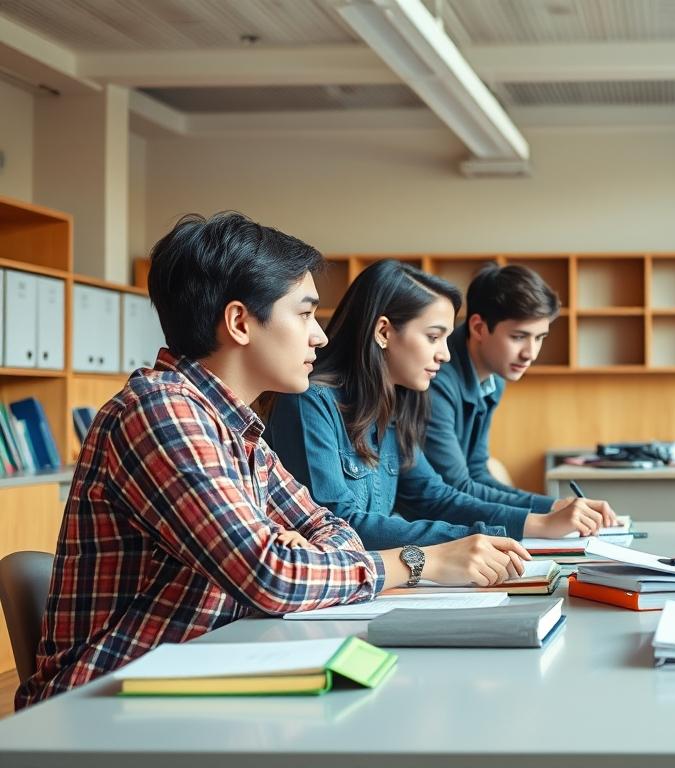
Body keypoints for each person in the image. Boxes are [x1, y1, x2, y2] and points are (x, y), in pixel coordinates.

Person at [17, 213, 527, 709]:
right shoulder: (160, 413)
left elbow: (333, 528)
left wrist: (299, 550)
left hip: (204, 675)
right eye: (304, 314)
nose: (319, 336)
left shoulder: (238, 429)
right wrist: (418, 562)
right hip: (104, 699)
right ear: (240, 322)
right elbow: (273, 576)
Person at [265, 259, 608, 549]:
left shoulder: (395, 404)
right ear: (383, 332)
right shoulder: (310, 402)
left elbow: (433, 496)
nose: (444, 354)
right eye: (433, 337)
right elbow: (338, 525)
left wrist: (534, 522)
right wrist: (490, 535)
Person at [423, 264, 616, 526]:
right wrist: (550, 508)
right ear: (479, 327)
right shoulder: (435, 379)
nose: (531, 353)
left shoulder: (493, 378)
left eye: (540, 338)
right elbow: (457, 485)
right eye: (519, 337)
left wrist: (555, 507)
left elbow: (477, 472)